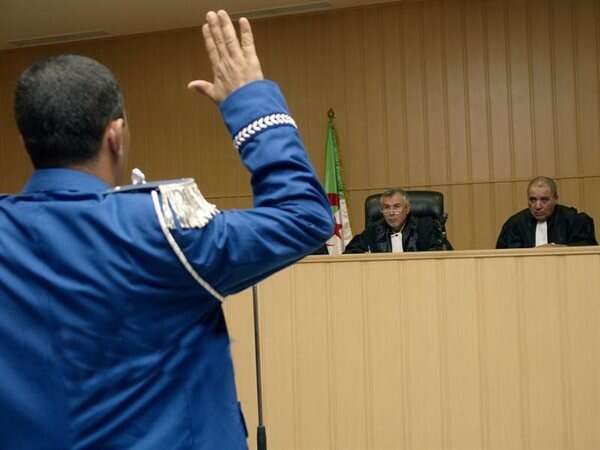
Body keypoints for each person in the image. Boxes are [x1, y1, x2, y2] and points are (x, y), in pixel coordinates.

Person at [0, 10, 333, 450]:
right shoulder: (160, 231)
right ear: (116, 135)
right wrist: (251, 104)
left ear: (26, 143)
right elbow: (305, 216)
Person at [496, 176, 597, 248]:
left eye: (544, 200)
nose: (538, 206)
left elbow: (588, 250)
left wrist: (559, 249)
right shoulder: (514, 224)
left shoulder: (574, 220)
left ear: (555, 198)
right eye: (532, 200)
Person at [344, 187, 446, 253]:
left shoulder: (425, 227)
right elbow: (350, 252)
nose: (391, 212)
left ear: (407, 209)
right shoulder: (374, 230)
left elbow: (440, 252)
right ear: (381, 211)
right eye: (387, 207)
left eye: (397, 206)